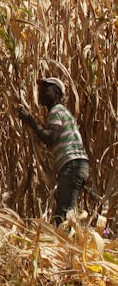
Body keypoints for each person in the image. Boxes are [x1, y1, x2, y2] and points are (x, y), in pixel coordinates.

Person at [17, 76, 89, 227]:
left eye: (46, 89)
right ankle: (72, 245)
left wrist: (30, 120)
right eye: (41, 90)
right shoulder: (63, 112)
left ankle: (67, 247)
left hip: (72, 165)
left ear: (57, 94)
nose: (41, 93)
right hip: (77, 165)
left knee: (64, 214)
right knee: (68, 209)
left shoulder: (56, 111)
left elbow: (50, 138)